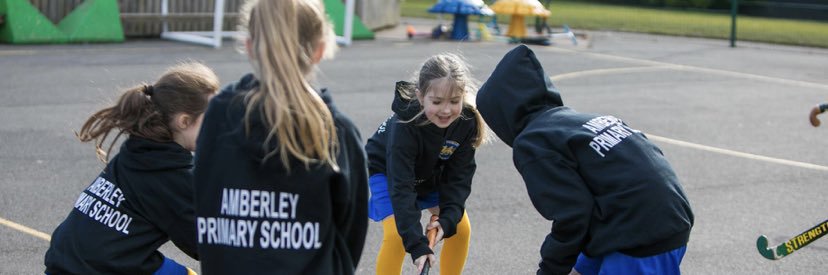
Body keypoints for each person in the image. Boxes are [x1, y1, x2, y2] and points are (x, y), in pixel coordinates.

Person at [475, 45, 694, 275]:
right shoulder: (572, 120)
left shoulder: (532, 142)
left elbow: (572, 215)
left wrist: (549, 269)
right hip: (660, 217)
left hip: (640, 235)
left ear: (502, 116)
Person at [192, 0, 368, 274]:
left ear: (249, 46)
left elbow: (205, 196)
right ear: (319, 50)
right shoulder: (336, 130)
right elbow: (351, 233)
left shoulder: (218, 116)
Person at [44, 62, 220, 275]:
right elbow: (206, 244)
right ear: (184, 121)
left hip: (68, 261)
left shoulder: (138, 152)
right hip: (99, 267)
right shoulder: (169, 174)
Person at [365, 53, 488, 275]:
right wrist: (417, 244)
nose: (446, 110)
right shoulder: (405, 125)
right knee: (396, 236)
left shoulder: (466, 122)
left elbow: (458, 178)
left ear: (463, 96)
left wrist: (447, 220)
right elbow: (402, 186)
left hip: (429, 170)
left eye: (454, 101)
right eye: (437, 101)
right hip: (388, 171)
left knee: (459, 228)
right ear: (421, 97)